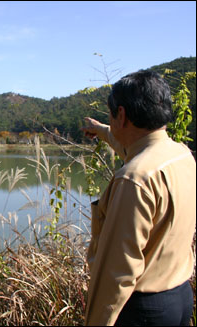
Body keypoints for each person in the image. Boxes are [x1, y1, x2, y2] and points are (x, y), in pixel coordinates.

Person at [81, 70, 196, 326]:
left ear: (121, 115)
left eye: (111, 114)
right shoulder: (181, 155)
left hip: (142, 310)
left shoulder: (133, 179)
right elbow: (131, 148)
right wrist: (101, 130)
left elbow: (117, 272)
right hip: (179, 297)